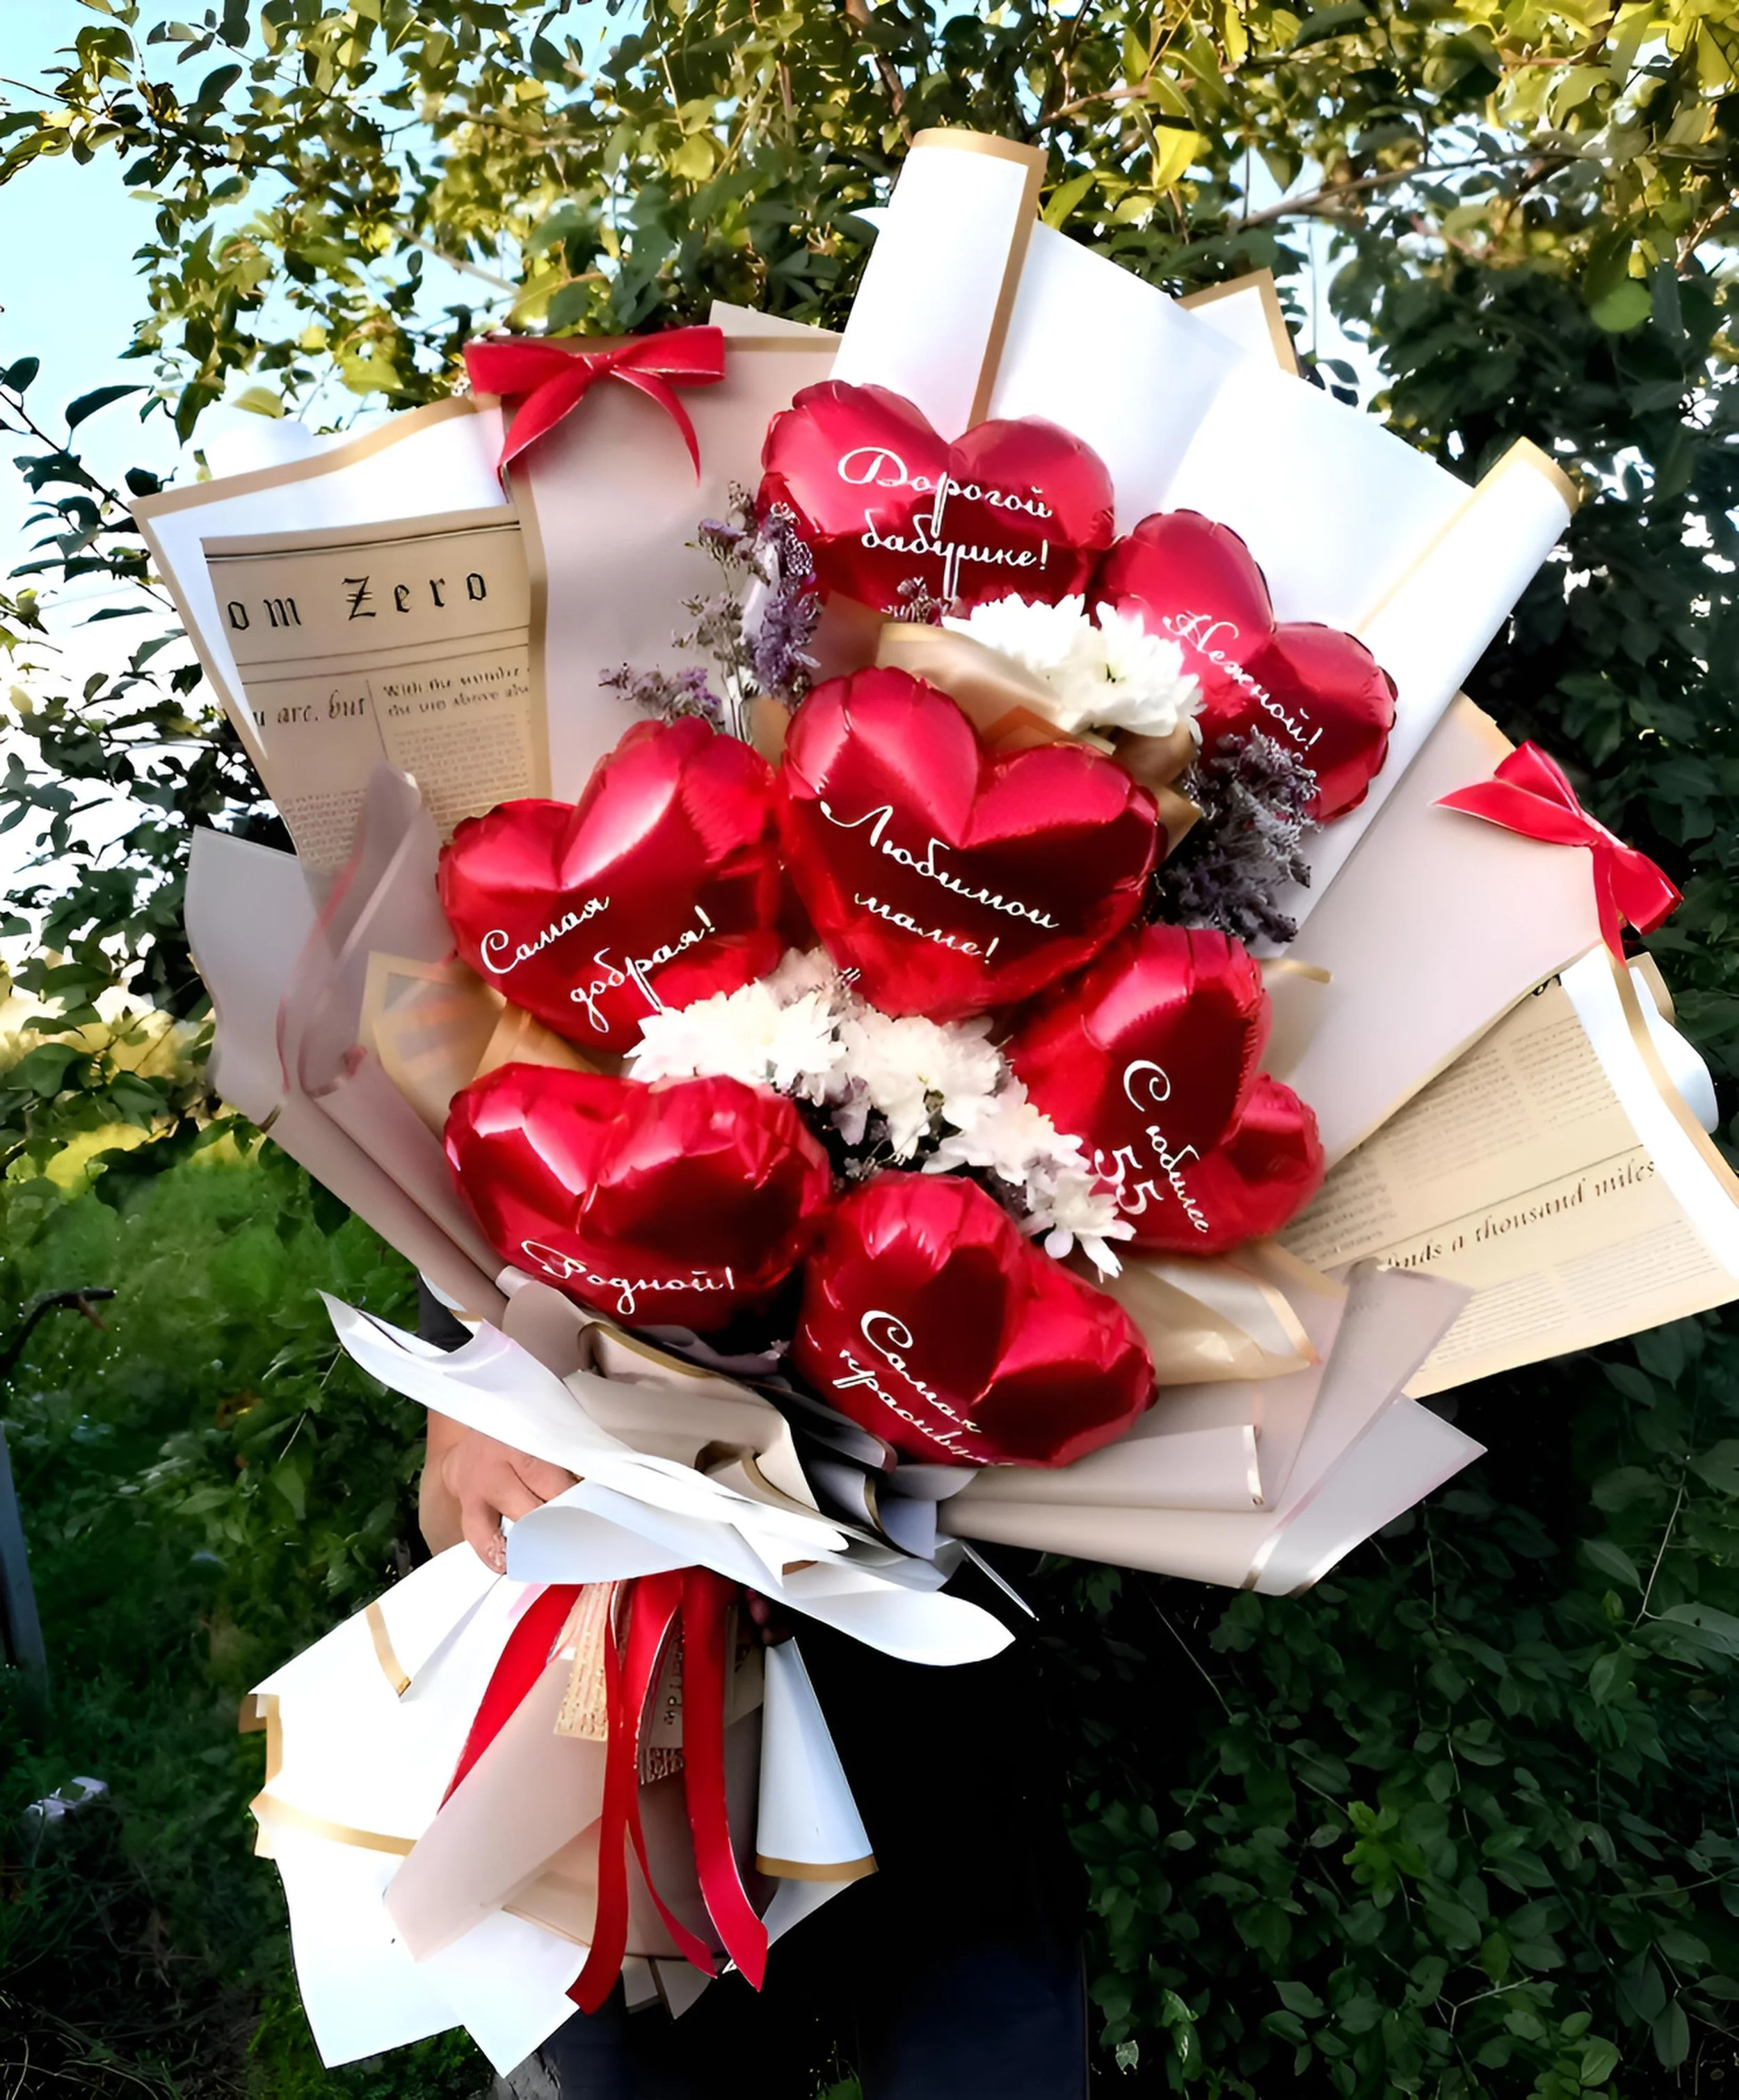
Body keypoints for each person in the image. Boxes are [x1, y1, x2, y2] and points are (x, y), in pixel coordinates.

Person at [416, 1283, 1089, 2100]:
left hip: (926, 1707)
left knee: (978, 2047)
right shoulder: (505, 1172)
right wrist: (490, 1457)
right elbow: (449, 1494)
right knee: (652, 2066)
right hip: (631, 1742)